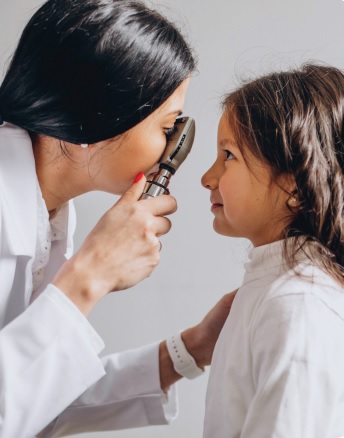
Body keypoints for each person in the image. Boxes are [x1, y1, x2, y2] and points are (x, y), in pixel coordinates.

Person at [0, 1, 237, 436]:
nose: (173, 153)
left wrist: (189, 350)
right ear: (95, 115)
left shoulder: (47, 218)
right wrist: (91, 275)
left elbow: (37, 395)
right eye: (168, 129)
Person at [201, 63, 344, 438]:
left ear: (295, 187)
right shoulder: (274, 291)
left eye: (228, 155)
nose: (207, 178)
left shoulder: (298, 305)